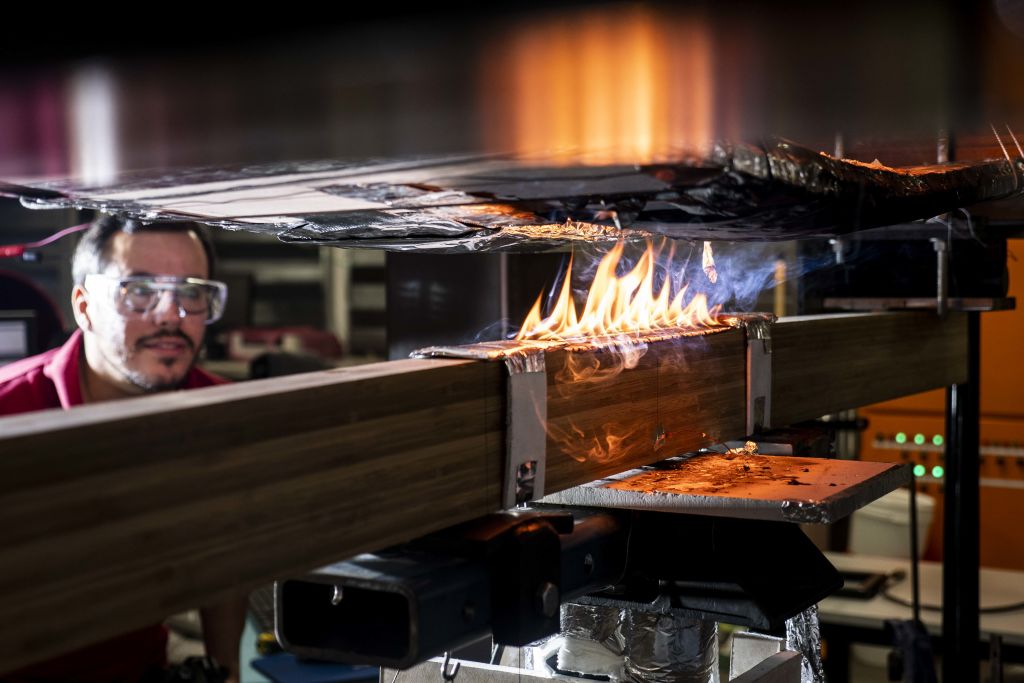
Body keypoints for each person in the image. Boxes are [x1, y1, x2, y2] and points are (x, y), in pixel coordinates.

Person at [0, 215, 246, 682]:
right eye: (139, 290)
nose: (171, 314)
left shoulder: (218, 411)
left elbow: (224, 560)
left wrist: (227, 671)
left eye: (191, 292)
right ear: (84, 305)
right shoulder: (10, 412)